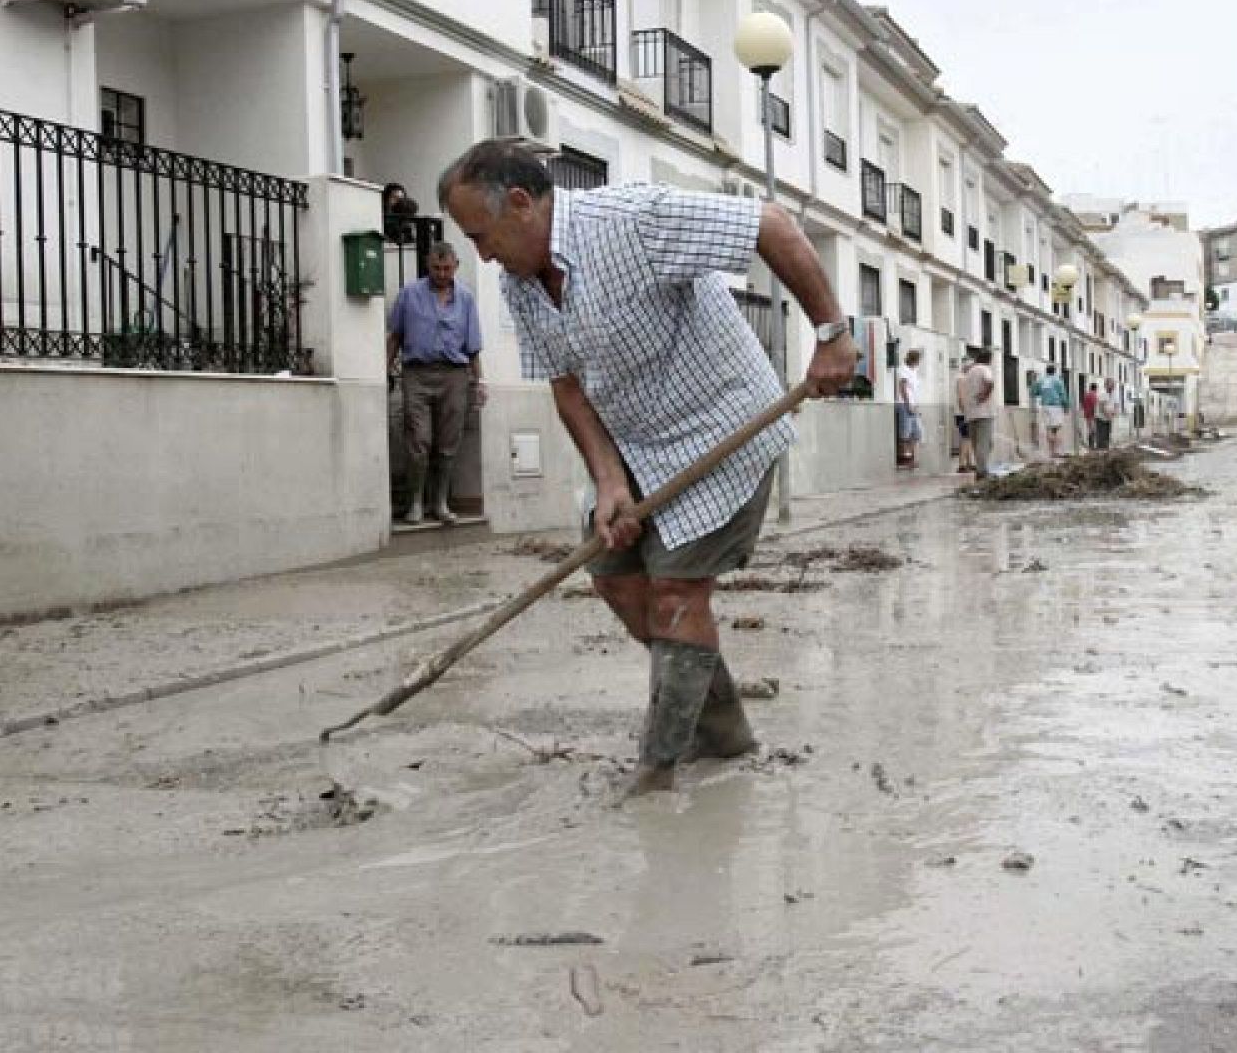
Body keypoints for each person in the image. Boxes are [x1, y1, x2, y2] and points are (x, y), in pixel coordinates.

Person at [439, 140, 855, 797]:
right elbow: (567, 386)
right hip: (634, 445)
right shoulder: (520, 284)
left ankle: (658, 772)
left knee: (676, 594)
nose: (482, 256)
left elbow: (771, 224)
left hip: (722, 427)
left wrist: (832, 334)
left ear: (520, 204)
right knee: (617, 580)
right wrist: (608, 482)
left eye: (480, 236)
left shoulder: (633, 220)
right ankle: (724, 735)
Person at [386, 241, 485, 524]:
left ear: (456, 267)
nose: (441, 274)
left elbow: (473, 348)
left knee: (448, 442)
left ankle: (440, 502)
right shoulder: (409, 294)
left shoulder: (466, 299)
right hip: (416, 374)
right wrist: (385, 371)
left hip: (455, 375)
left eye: (447, 268)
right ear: (428, 265)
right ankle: (416, 502)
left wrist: (480, 381)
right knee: (419, 439)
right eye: (436, 268)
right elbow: (395, 337)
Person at [958, 347, 997, 478]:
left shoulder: (969, 372)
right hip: (985, 412)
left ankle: (980, 469)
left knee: (975, 443)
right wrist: (984, 396)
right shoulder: (984, 369)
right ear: (988, 359)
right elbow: (990, 382)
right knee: (985, 443)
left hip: (971, 413)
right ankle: (982, 471)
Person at [1034, 363, 1069, 457]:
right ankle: (1057, 451)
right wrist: (1066, 406)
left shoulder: (1041, 381)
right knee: (1057, 429)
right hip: (1055, 406)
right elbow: (1063, 394)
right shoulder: (1057, 381)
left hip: (1045, 406)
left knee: (1048, 428)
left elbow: (1034, 392)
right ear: (1054, 372)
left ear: (1046, 371)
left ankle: (1051, 452)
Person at [896, 348, 923, 468]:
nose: (919, 362)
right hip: (904, 404)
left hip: (914, 404)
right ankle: (904, 457)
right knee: (905, 432)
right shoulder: (903, 370)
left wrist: (916, 405)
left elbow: (915, 390)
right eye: (918, 359)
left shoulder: (914, 371)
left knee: (917, 432)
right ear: (913, 359)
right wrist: (908, 404)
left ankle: (913, 457)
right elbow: (902, 388)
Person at [952, 357, 975, 474]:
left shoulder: (965, 378)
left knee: (969, 438)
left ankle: (970, 463)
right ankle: (961, 464)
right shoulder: (960, 378)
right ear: (965, 366)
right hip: (962, 413)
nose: (972, 369)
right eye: (970, 367)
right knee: (966, 438)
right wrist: (965, 412)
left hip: (965, 412)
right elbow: (961, 397)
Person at [1094, 376, 1119, 450]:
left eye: (1113, 384)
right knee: (1101, 437)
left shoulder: (1114, 394)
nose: (1113, 386)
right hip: (1101, 419)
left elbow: (1116, 405)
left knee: (1107, 436)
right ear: (1106, 385)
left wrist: (1114, 413)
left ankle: (1106, 450)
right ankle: (1101, 450)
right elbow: (1102, 408)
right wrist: (1109, 416)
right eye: (1111, 384)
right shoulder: (1102, 394)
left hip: (1109, 418)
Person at [1080, 382, 1099, 451]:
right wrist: (1095, 415)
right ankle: (1092, 445)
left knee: (1090, 429)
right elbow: (1095, 405)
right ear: (1096, 388)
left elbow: (1083, 405)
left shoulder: (1086, 395)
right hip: (1092, 415)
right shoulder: (1093, 395)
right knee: (1093, 430)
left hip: (1087, 414)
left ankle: (1091, 444)